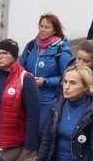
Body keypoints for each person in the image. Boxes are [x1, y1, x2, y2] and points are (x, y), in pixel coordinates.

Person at [19, 14, 73, 152]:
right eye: (41, 26)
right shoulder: (31, 45)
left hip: (48, 98)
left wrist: (46, 81)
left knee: (42, 130)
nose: (42, 30)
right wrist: (26, 76)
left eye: (47, 27)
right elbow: (21, 66)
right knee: (30, 128)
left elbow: (66, 76)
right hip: (30, 94)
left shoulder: (62, 50)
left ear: (55, 30)